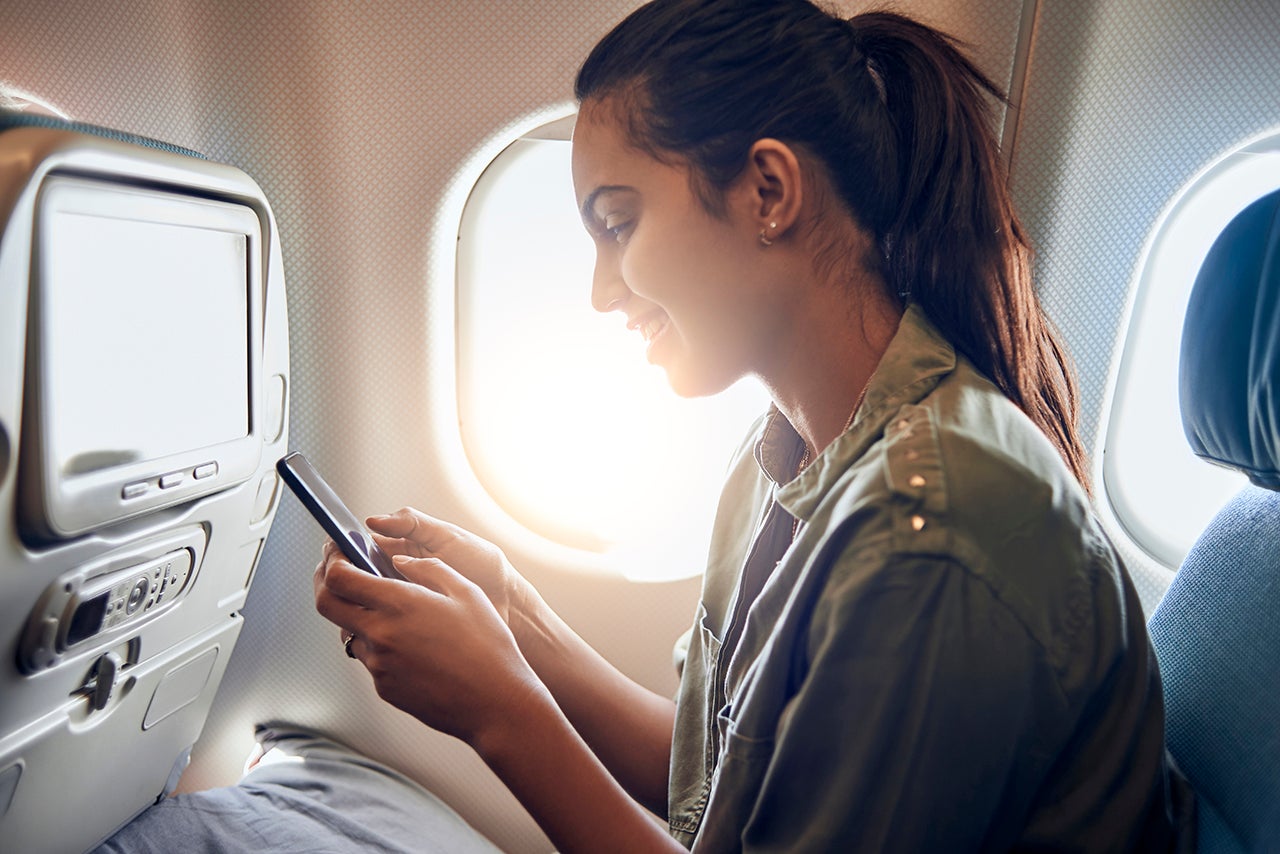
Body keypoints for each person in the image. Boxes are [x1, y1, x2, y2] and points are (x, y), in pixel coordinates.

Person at [103, 1, 1188, 851]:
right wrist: (515, 614)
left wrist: (498, 707)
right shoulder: (785, 450)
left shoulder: (935, 528)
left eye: (617, 223)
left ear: (768, 190)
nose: (597, 291)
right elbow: (714, 777)